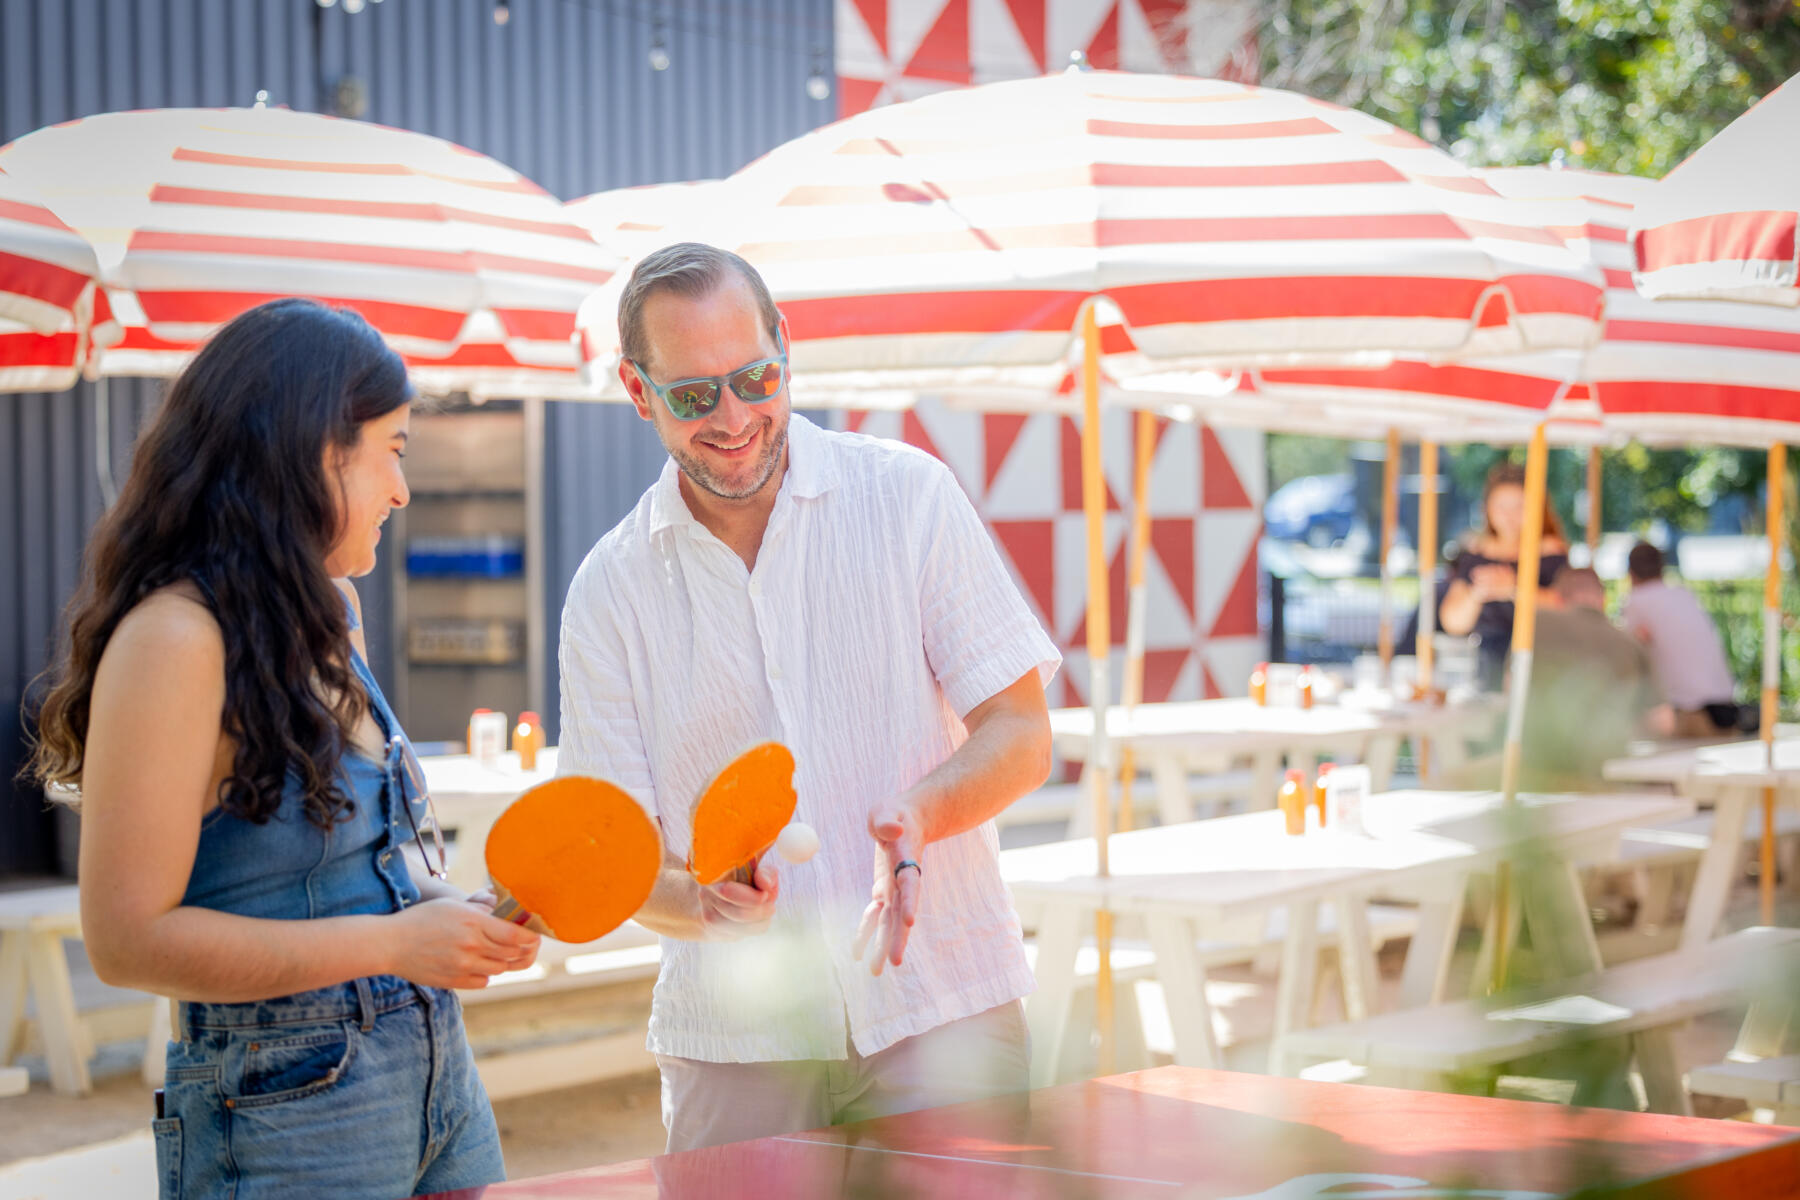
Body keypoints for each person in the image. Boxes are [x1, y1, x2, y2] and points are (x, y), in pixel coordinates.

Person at [27, 300, 539, 1199]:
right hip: (283, 1111)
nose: (402, 489)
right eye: (394, 449)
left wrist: (455, 919)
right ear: (310, 450)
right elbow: (126, 942)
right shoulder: (174, 641)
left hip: (436, 1080)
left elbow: (356, 872)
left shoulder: (331, 611)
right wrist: (391, 945)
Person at [559, 243, 1060, 1152]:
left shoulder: (909, 497)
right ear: (640, 393)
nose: (734, 416)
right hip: (736, 1040)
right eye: (692, 395)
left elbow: (1022, 734)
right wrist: (698, 902)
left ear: (786, 347)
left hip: (942, 999)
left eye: (754, 377)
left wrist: (922, 811)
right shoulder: (608, 589)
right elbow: (613, 857)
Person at [1521, 567, 1671, 788]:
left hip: (1541, 771)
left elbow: (1512, 693)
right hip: (1607, 773)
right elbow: (1663, 722)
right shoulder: (1630, 642)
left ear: (1558, 598)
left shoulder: (1532, 628)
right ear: (1603, 599)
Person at [1439, 461, 1571, 689]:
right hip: (1490, 664)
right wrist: (1477, 593)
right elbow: (1452, 622)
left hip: (1542, 661)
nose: (1509, 516)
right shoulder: (1476, 555)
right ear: (1487, 508)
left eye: (1519, 507)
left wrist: (1514, 589)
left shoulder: (1551, 553)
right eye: (1501, 506)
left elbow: (1567, 607)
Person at [1622, 541, 1742, 738]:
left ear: (1630, 573)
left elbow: (1627, 656)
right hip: (1725, 712)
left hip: (1689, 714)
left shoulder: (1637, 601)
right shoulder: (1684, 594)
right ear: (1662, 568)